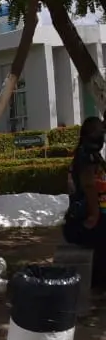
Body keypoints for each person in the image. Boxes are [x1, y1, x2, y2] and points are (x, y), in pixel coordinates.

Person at [65, 118, 106, 289]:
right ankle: (100, 283)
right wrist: (95, 215)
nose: (101, 136)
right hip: (83, 222)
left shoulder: (93, 156)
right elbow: (89, 186)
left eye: (102, 132)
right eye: (97, 133)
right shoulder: (85, 157)